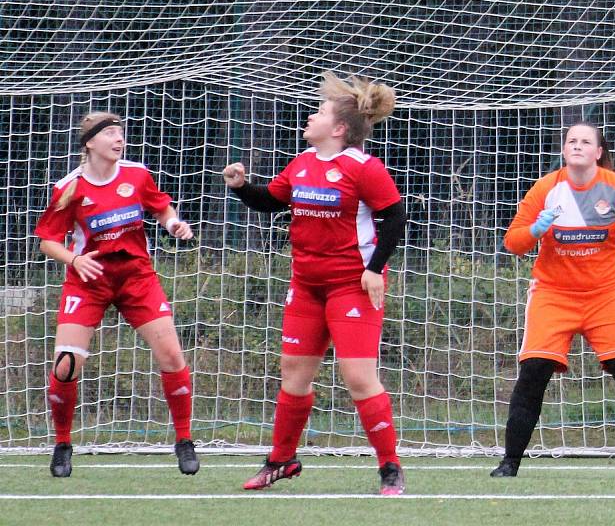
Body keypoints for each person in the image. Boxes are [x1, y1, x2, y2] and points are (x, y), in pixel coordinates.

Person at [223, 72, 407, 495]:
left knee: (359, 378)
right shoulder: (302, 163)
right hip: (306, 286)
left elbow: (394, 218)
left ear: (339, 128)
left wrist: (375, 268)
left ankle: (390, 468)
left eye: (320, 111)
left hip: (351, 287)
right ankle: (281, 460)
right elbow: (272, 201)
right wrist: (241, 187)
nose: (311, 116)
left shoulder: (363, 167)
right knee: (293, 376)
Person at [492, 121, 615, 481]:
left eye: (585, 142)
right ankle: (509, 464)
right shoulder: (546, 189)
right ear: (564, 151)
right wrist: (535, 230)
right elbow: (513, 242)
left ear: (598, 152)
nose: (577, 146)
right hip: (553, 293)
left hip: (606, 294)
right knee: (533, 371)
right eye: (571, 141)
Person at [34, 112, 200, 478]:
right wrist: (74, 259)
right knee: (66, 364)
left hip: (135, 276)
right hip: (88, 280)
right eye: (109, 133)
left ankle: (185, 440)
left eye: (120, 133)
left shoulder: (137, 175)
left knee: (172, 354)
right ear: (90, 142)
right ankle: (62, 444)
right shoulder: (70, 188)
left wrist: (173, 223)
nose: (118, 139)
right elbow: (47, 240)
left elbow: (160, 208)